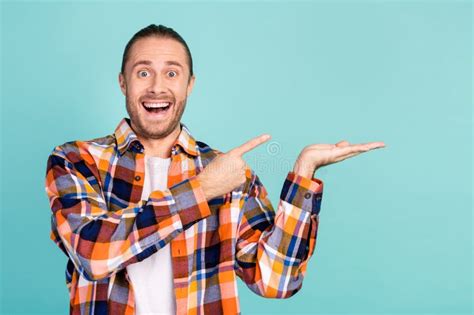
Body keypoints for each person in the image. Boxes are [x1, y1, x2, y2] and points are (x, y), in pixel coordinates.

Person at [44, 24, 385, 315]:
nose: (157, 87)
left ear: (189, 85)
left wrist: (304, 174)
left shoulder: (230, 174)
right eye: (143, 72)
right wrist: (202, 190)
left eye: (172, 73)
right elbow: (93, 254)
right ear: (123, 82)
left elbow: (276, 281)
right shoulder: (76, 159)